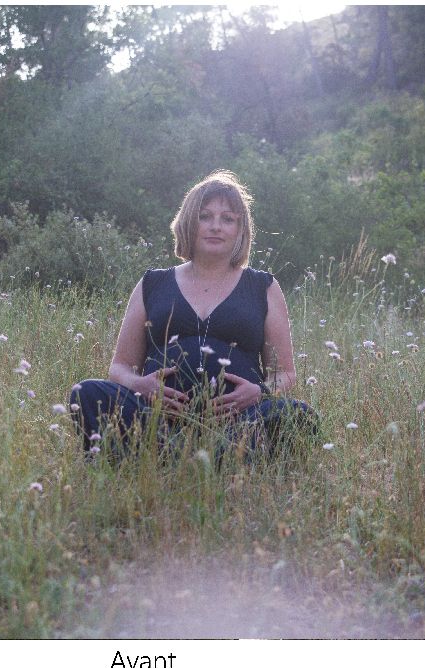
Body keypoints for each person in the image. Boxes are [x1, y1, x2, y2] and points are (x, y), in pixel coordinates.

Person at [67, 170, 318, 462]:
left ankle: (186, 456)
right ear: (188, 222)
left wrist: (259, 392)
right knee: (86, 393)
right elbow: (120, 367)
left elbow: (285, 373)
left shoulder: (263, 286)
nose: (215, 226)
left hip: (239, 420)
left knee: (298, 416)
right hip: (154, 416)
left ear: (240, 230)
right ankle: (191, 455)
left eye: (227, 219)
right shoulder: (153, 283)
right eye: (204, 216)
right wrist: (140, 385)